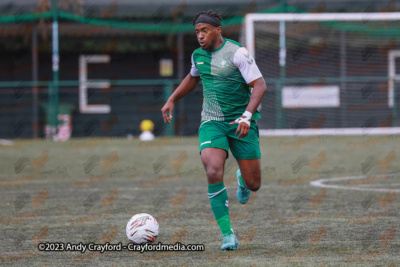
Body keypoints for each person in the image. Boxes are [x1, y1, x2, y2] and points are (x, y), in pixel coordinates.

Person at [161, 9, 267, 251]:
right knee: (212, 169)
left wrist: (247, 116)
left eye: (204, 31)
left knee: (254, 184)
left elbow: (259, 85)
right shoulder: (198, 55)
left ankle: (242, 180)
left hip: (241, 122)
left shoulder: (237, 53)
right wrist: (172, 99)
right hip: (212, 122)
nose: (200, 36)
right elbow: (192, 77)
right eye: (197, 31)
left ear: (218, 30)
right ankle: (227, 234)